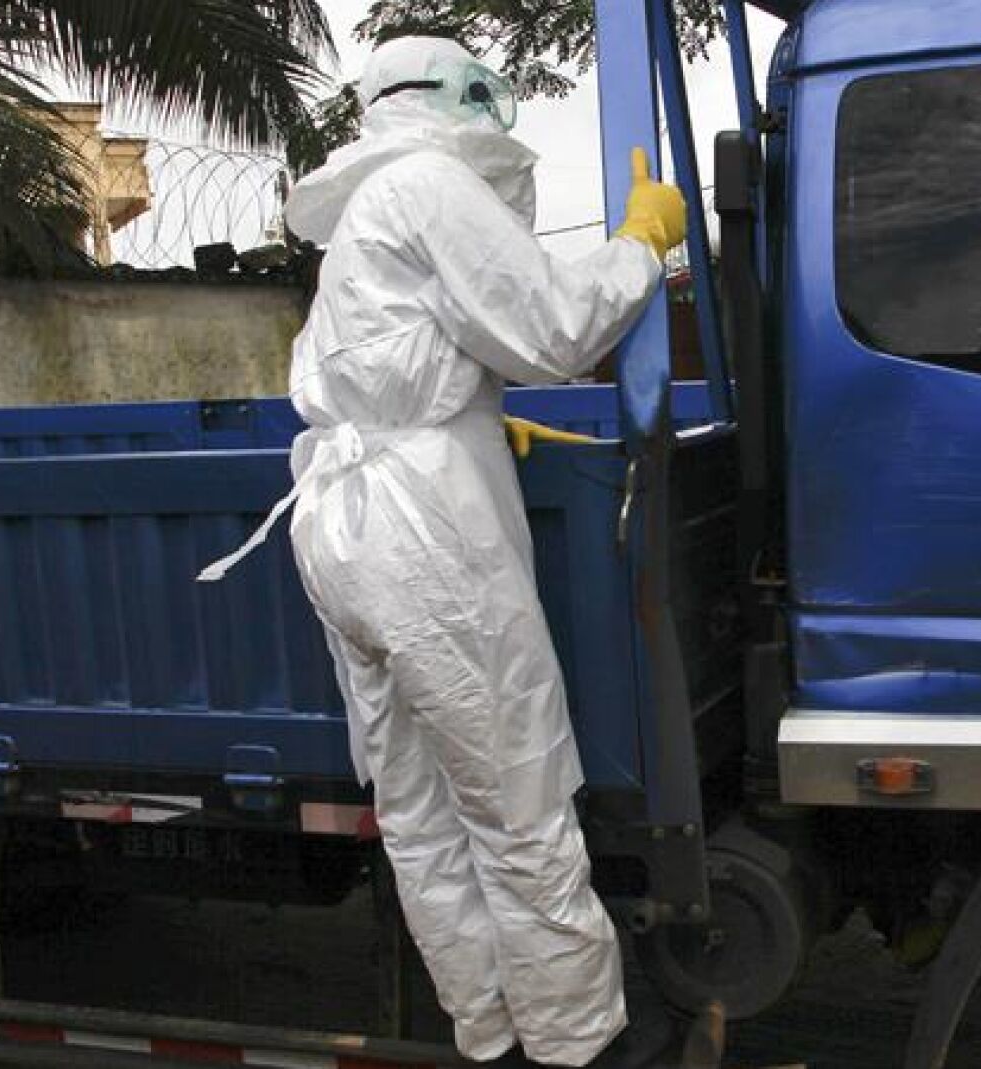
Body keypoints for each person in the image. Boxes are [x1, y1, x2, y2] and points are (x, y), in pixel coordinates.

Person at [197, 36, 687, 1068]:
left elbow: (406, 356)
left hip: (346, 520)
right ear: (460, 98)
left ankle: (495, 1037)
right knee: (517, 801)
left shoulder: (367, 221)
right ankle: (581, 1048)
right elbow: (555, 327)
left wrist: (465, 414)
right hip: (420, 528)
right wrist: (643, 244)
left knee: (421, 816)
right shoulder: (427, 185)